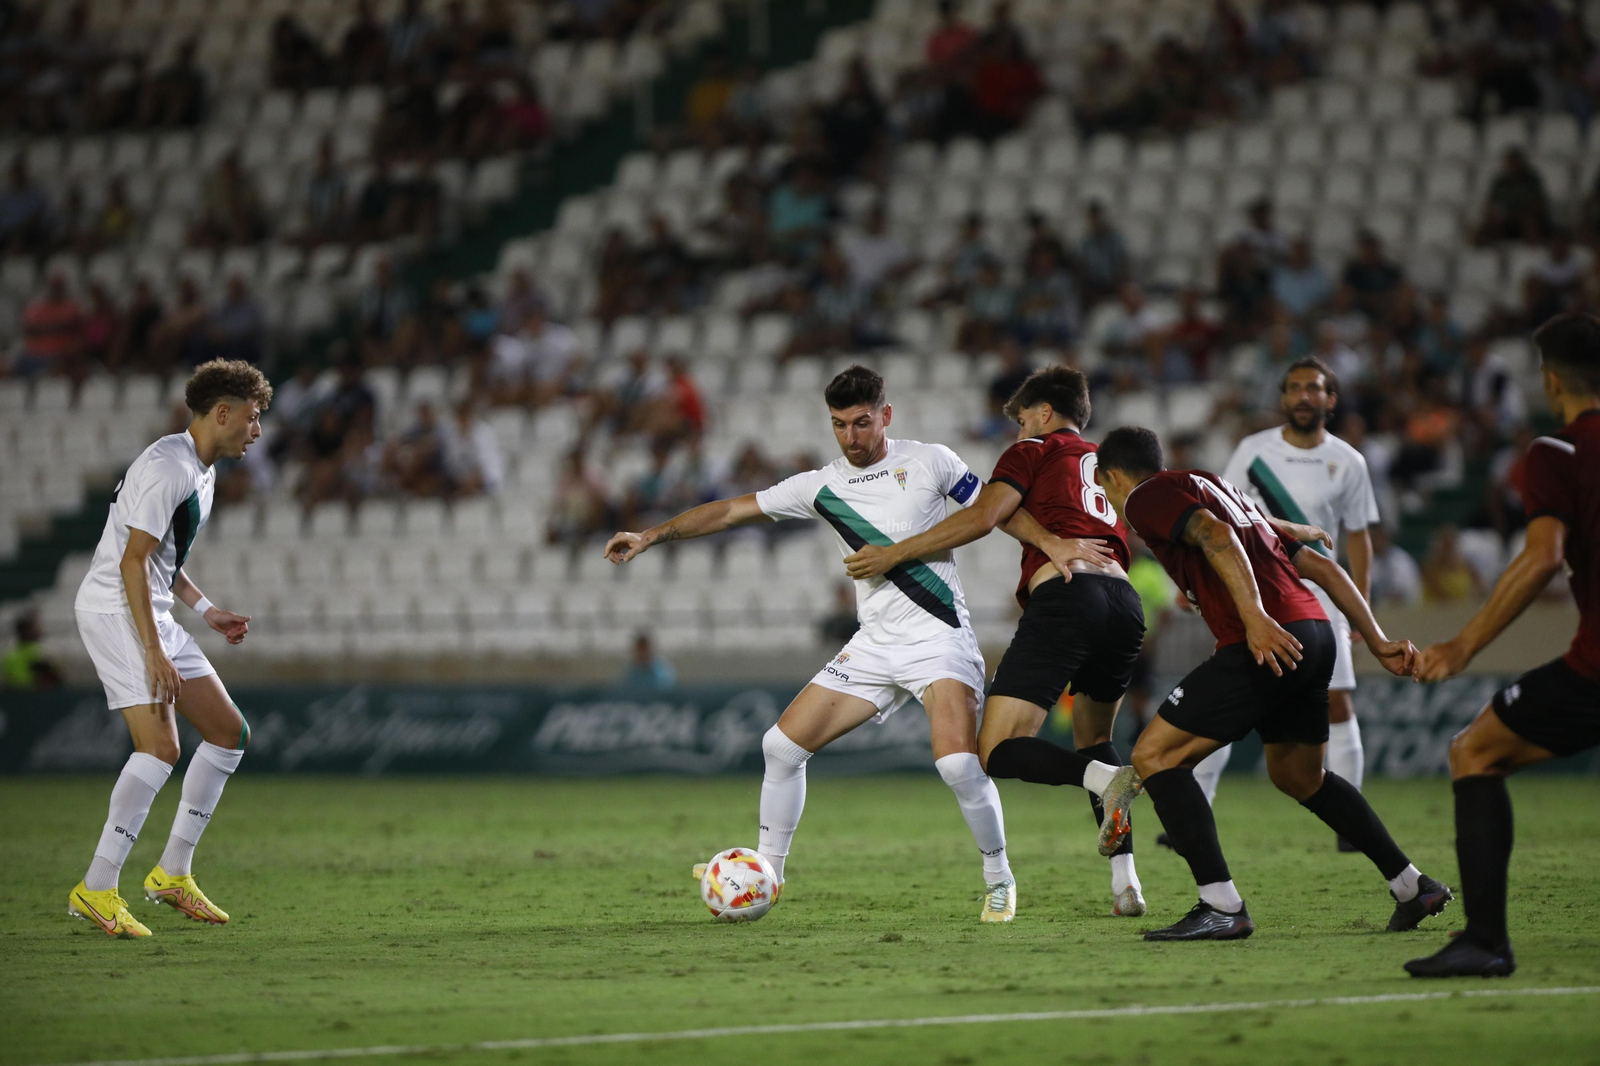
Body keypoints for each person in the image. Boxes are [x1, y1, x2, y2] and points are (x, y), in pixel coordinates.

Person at [604, 366, 1016, 921]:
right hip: (875, 643)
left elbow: (992, 513)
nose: (852, 436)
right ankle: (767, 877)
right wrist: (652, 534)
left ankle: (999, 879)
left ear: (885, 416)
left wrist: (1053, 546)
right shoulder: (821, 486)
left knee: (958, 767)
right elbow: (729, 510)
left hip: (938, 636)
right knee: (781, 747)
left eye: (862, 423)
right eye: (840, 425)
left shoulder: (930, 461)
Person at [1092, 426, 1449, 941]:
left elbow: (1216, 537)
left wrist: (1255, 617)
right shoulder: (1216, 487)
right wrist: (1376, 638)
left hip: (1266, 639)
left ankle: (1221, 905)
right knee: (1299, 776)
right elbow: (1321, 568)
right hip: (1316, 634)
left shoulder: (1147, 497)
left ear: (1113, 476)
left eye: (1104, 487)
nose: (1107, 498)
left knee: (1154, 755)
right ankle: (1414, 886)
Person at [839, 367, 1150, 916]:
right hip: (1124, 605)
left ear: (1046, 414)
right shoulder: (1106, 461)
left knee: (997, 750)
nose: (1021, 428)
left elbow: (984, 516)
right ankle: (1126, 884)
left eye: (1026, 417)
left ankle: (1107, 780)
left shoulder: (1033, 449)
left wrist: (895, 553)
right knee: (1094, 737)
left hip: (1069, 596)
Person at [1407, 313, 1600, 977]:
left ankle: (1485, 940)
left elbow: (1543, 557)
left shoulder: (1558, 452)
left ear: (1550, 381)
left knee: (1475, 750)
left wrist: (1461, 647)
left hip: (1596, 666)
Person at [68, 359, 271, 938]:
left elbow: (163, 562)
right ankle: (98, 887)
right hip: (116, 611)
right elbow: (132, 562)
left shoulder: (199, 469)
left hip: (147, 607)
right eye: (252, 419)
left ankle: (172, 873)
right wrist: (154, 650)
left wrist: (207, 612)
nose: (257, 430)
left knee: (229, 732)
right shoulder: (169, 469)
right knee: (160, 748)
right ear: (222, 413)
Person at [1205, 357, 1381, 847]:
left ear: (1331, 399)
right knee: (1226, 698)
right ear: (1283, 397)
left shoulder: (1348, 460)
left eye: (1314, 388)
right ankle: (1198, 810)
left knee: (1339, 703)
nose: (1304, 396)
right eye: (1296, 388)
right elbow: (1221, 511)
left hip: (1322, 594)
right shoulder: (1252, 451)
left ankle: (1352, 824)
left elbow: (1360, 540)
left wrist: (1359, 609)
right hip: (1257, 590)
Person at [2, 611, 62, 689]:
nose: (38, 630)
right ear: (26, 632)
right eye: (33, 628)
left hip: (15, 696)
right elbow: (52, 677)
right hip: (32, 694)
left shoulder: (9, 655)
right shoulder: (36, 652)